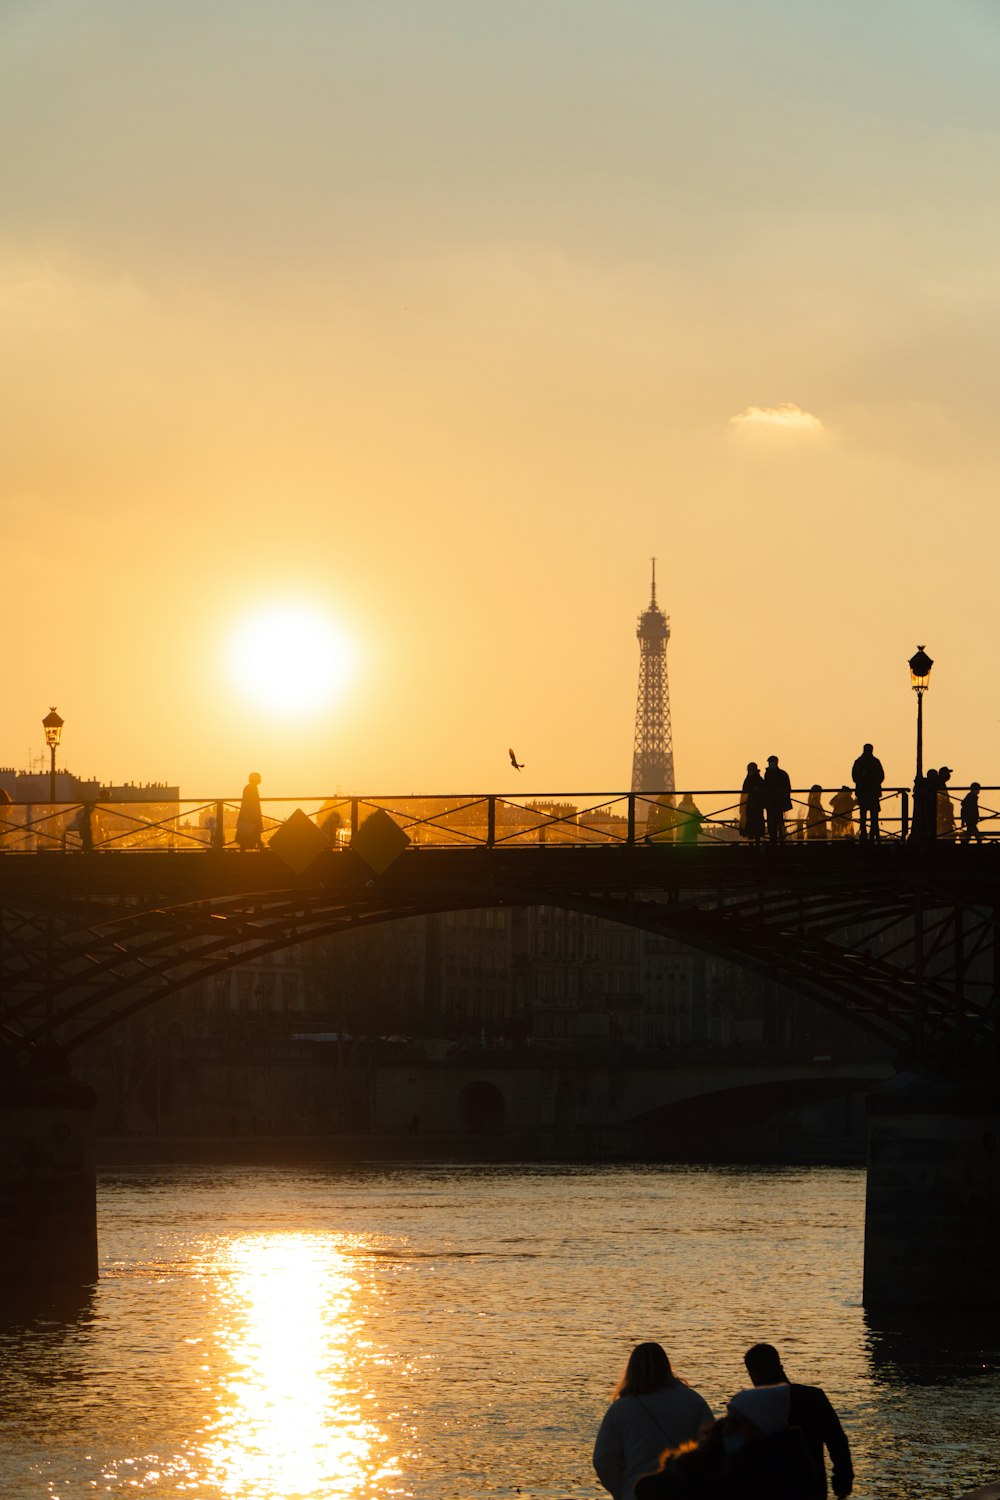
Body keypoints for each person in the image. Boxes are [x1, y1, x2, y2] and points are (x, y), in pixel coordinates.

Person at [635, 1383, 815, 1500]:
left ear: (760, 1429)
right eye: (727, 1419)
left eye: (735, 1422)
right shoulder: (715, 1460)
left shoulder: (749, 1474)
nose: (726, 1428)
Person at [593, 1341, 713, 1500]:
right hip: (685, 1491)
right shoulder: (693, 1401)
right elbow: (712, 1448)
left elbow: (604, 1459)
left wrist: (621, 1491)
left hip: (637, 1492)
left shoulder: (621, 1408)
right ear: (666, 1366)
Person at [743, 1343, 853, 1500]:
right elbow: (837, 1442)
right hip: (813, 1488)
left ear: (753, 1374)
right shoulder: (814, 1397)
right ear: (780, 1366)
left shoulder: (750, 1406)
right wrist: (842, 1483)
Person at [851, 745, 884, 842]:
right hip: (873, 792)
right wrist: (874, 782)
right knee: (874, 815)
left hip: (863, 792)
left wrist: (863, 781)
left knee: (863, 815)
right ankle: (874, 834)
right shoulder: (875, 762)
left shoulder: (859, 762)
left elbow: (855, 777)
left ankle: (864, 834)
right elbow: (881, 776)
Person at [762, 756, 792, 846]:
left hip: (776, 802)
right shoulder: (780, 774)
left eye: (771, 762)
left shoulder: (770, 774)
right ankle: (776, 840)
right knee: (774, 822)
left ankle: (777, 840)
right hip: (773, 802)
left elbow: (786, 788)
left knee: (777, 821)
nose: (770, 764)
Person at [235, 771, 264, 851]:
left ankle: (258, 845)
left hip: (249, 813)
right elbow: (250, 802)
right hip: (251, 813)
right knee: (254, 830)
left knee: (250, 831)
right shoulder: (252, 788)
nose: (260, 780)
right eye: (258, 778)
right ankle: (260, 846)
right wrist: (252, 813)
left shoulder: (249, 787)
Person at [740, 764, 766, 847]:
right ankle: (753, 841)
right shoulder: (758, 779)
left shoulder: (751, 779)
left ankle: (753, 842)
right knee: (753, 824)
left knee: (753, 824)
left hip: (754, 805)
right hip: (752, 805)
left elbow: (744, 792)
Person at [936, 767, 956, 842]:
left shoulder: (940, 782)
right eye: (947, 773)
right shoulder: (939, 783)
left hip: (943, 812)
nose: (949, 775)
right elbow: (941, 798)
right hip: (942, 813)